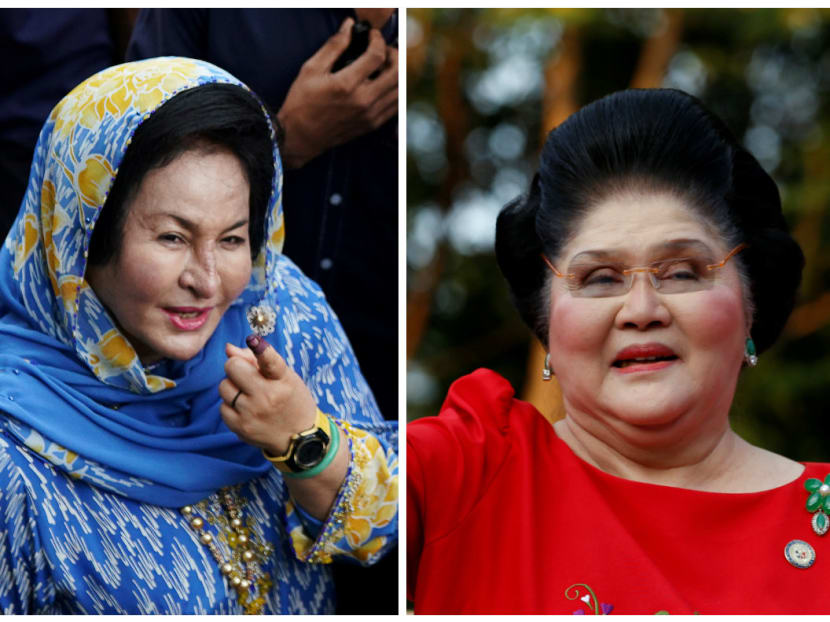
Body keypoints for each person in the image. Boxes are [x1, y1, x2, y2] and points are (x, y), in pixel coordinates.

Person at [0, 57, 397, 614]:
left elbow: (395, 527)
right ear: (82, 235)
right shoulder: (12, 463)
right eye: (171, 237)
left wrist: (307, 441)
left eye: (232, 239)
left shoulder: (283, 312)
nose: (207, 281)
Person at [407, 88, 825, 614]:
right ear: (547, 322)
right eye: (599, 278)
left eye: (682, 272)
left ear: (750, 302)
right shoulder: (458, 478)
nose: (641, 309)